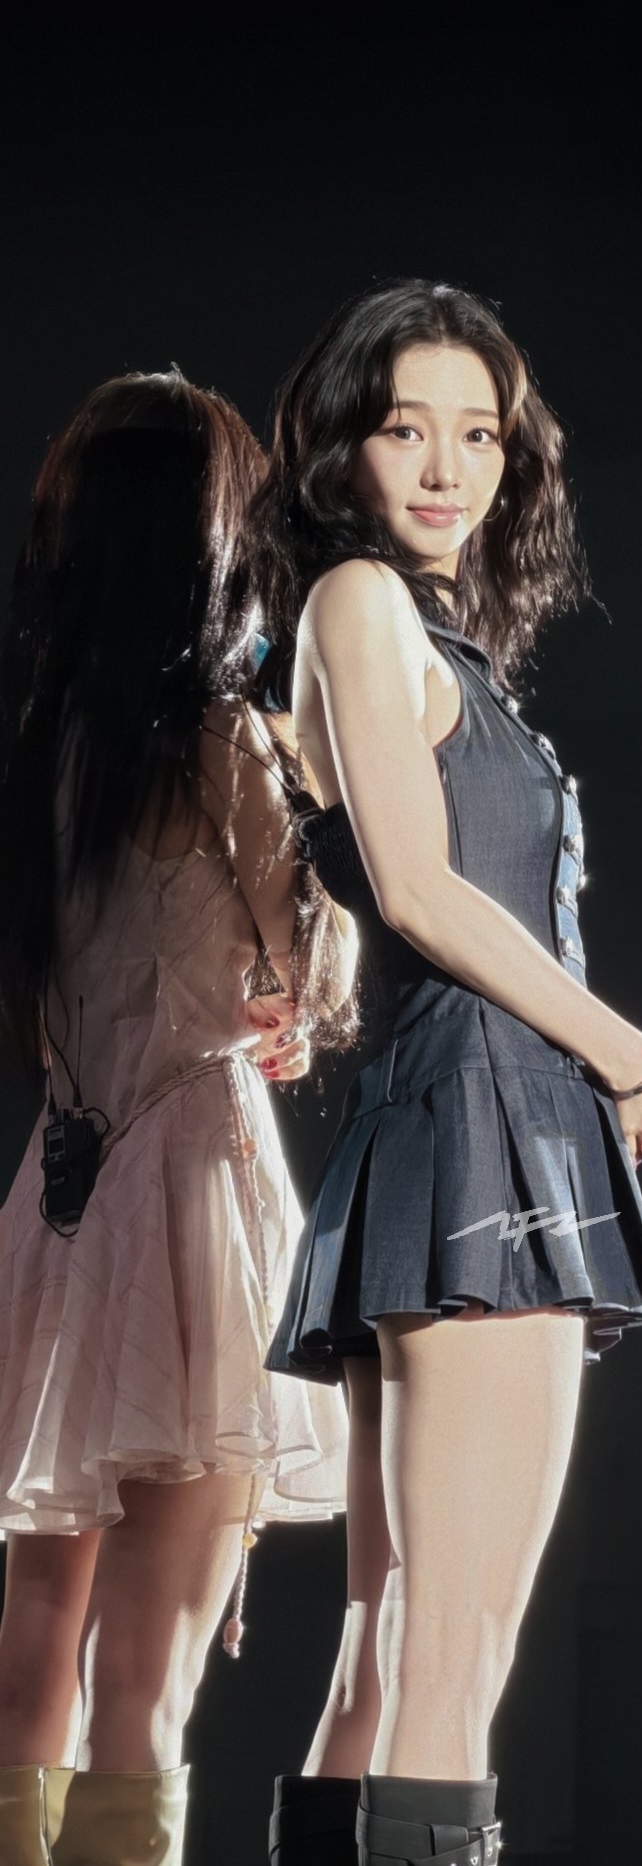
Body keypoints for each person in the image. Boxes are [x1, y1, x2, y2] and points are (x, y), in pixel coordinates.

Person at [248, 280, 642, 1866]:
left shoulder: (419, 631)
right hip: (479, 1128)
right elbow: (418, 890)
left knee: (392, 1653)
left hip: (472, 1120)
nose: (449, 468)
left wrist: (616, 1084)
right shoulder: (358, 603)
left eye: (481, 436)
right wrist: (631, 1058)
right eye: (407, 430)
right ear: (341, 447)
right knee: (447, 1661)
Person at [0, 370, 359, 1866]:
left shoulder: (47, 749)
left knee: (31, 1652)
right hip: (195, 1192)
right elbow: (315, 966)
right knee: (148, 1682)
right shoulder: (228, 743)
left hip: (64, 1196)